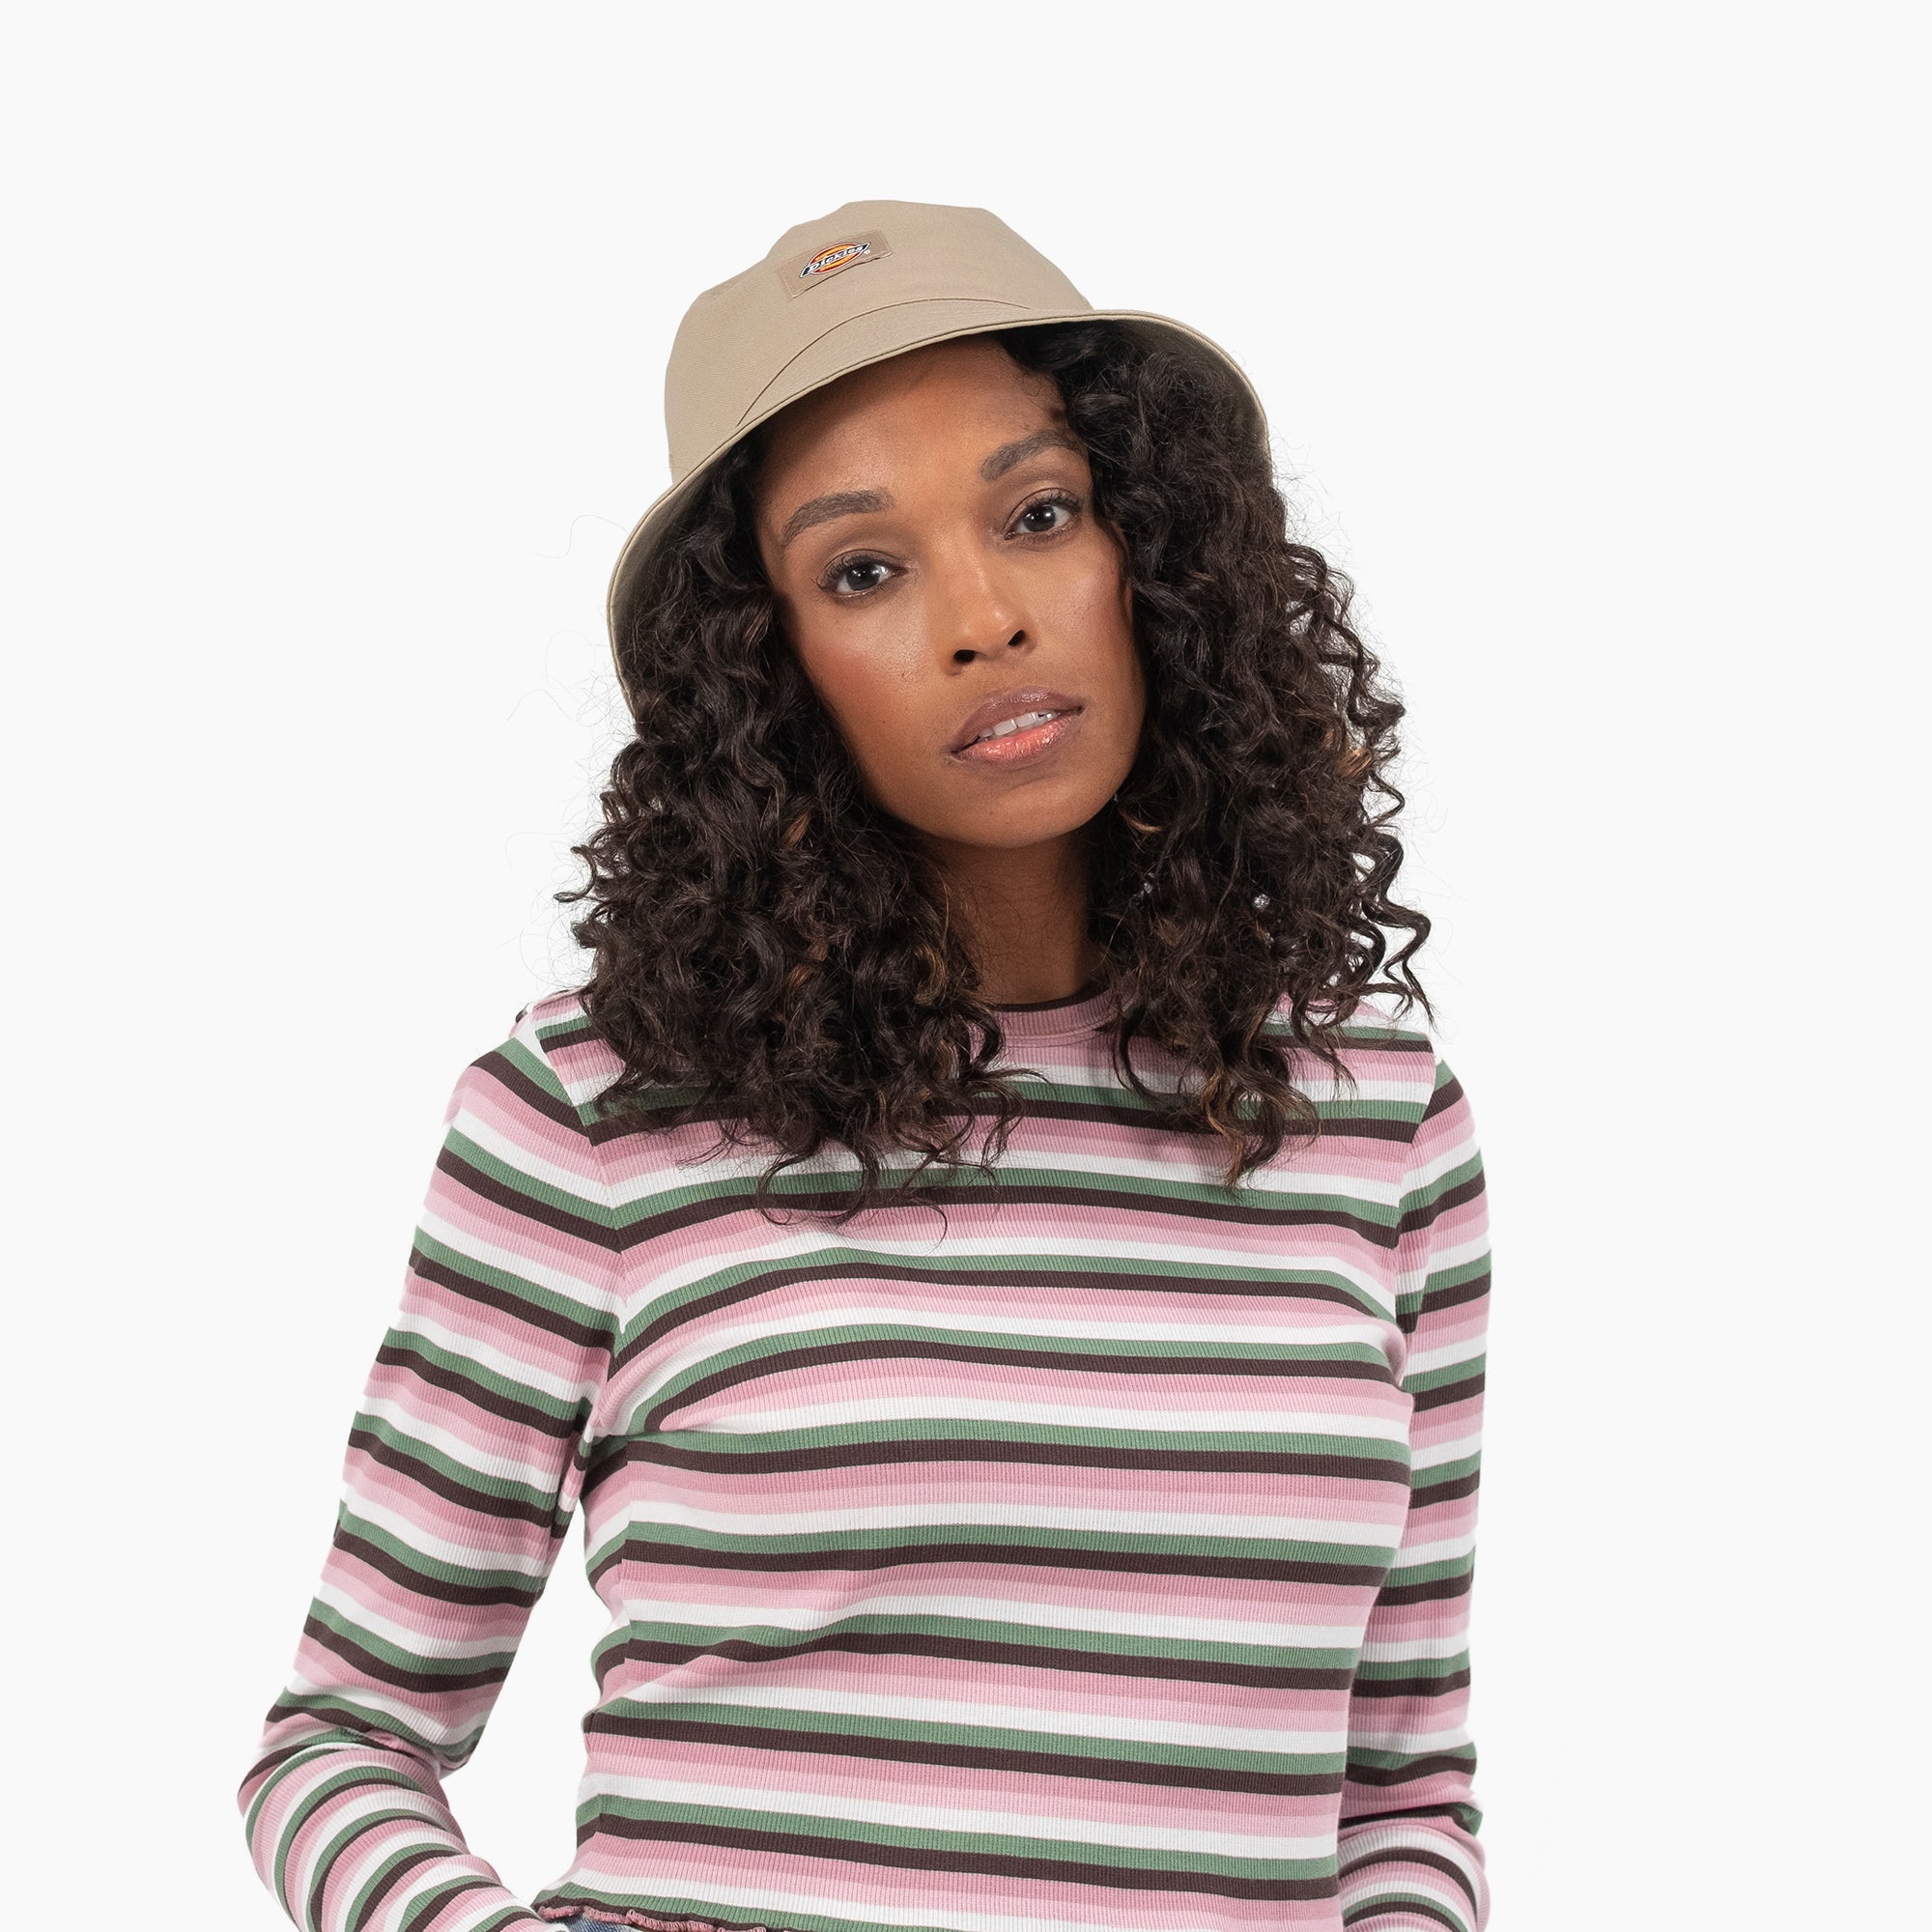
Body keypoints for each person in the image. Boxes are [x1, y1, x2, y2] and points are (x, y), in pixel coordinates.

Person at [236, 200, 1493, 1932]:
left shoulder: (1376, 1115)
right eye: (864, 571)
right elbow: (340, 1743)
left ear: (1157, 551)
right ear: (768, 673)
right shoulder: (592, 1115)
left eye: (1039, 514)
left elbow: (1402, 1793)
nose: (984, 619)